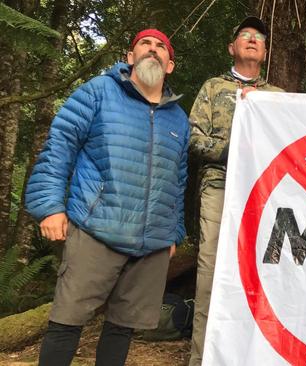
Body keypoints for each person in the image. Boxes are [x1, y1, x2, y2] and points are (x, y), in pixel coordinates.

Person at [24, 29, 189, 366]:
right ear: (130, 57)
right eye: (145, 44)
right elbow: (60, 146)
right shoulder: (99, 92)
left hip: (152, 244)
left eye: (161, 47)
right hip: (96, 227)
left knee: (122, 328)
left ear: (169, 65)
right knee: (66, 321)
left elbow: (179, 179)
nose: (152, 50)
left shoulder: (179, 119)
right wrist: (50, 207)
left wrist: (173, 232)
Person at [188, 16, 284, 366]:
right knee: (210, 274)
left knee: (266, 276)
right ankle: (201, 359)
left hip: (265, 196)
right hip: (220, 186)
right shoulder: (213, 88)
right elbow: (194, 138)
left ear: (265, 50)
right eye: (244, 35)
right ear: (232, 47)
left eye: (258, 37)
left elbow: (291, 143)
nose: (252, 39)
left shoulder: (277, 97)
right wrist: (231, 150)